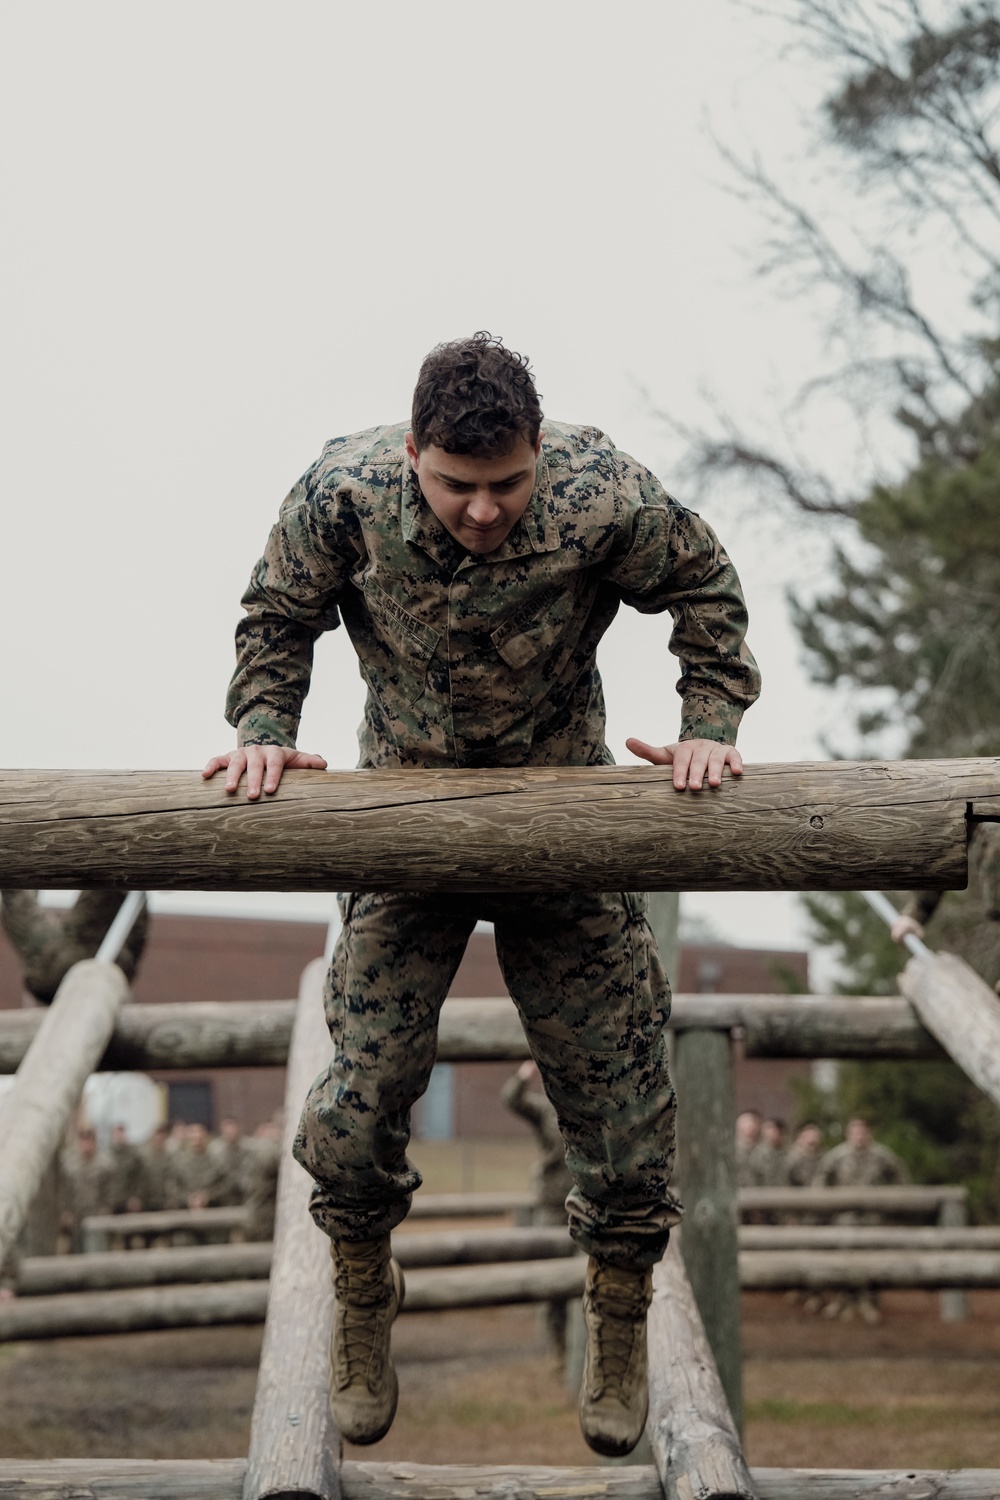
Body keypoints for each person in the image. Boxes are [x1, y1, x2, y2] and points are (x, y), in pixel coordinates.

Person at [204, 332, 761, 1456]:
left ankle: (616, 1307)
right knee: (356, 1107)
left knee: (625, 1120)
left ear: (537, 452)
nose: (483, 510)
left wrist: (708, 728)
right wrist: (264, 734)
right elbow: (276, 613)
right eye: (456, 486)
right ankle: (364, 1283)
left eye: (506, 484)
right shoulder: (343, 494)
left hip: (561, 817)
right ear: (412, 453)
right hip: (404, 818)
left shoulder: (601, 493)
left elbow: (705, 586)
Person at [501, 1059, 575, 1358]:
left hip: (584, 1200)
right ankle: (556, 1345)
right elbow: (511, 1100)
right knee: (554, 1277)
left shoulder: (586, 1108)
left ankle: (578, 1346)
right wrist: (522, 1076)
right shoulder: (544, 1109)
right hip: (553, 1202)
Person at [818, 1116, 909, 1323]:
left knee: (872, 1260)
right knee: (843, 1259)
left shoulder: (882, 1156)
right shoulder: (837, 1157)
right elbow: (820, 1183)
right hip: (844, 1219)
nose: (859, 1136)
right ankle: (843, 1300)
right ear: (848, 1134)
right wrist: (828, 1208)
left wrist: (892, 1207)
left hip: (873, 1219)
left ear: (869, 1133)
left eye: (862, 1131)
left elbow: (901, 1178)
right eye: (855, 1131)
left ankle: (869, 1302)